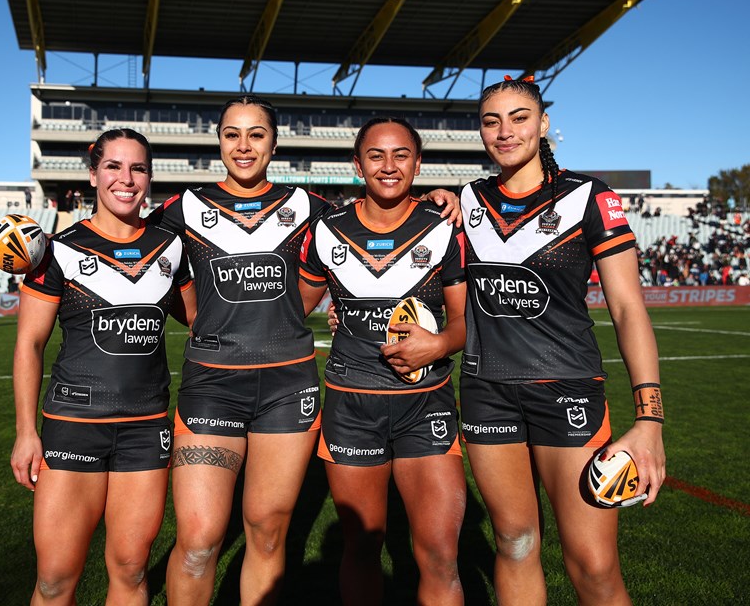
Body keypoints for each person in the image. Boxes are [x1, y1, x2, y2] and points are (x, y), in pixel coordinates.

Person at [458, 76, 665, 605]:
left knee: (594, 565)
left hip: (567, 392)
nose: (505, 131)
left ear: (543, 123)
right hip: (487, 391)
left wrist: (649, 420)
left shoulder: (590, 198)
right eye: (491, 121)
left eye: (519, 117)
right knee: (516, 541)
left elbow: (627, 308)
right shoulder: (466, 200)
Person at [148, 95, 331, 606]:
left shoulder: (311, 209)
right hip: (211, 387)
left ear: (274, 142)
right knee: (200, 540)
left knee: (268, 531)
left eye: (256, 134)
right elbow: (133, 256)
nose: (244, 145)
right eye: (232, 134)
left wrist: (438, 202)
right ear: (219, 141)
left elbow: (378, 231)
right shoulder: (180, 209)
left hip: (286, 386)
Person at [9, 128, 195, 605]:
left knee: (131, 571)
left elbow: (203, 320)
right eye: (113, 166)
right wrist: (26, 432)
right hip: (74, 428)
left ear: (150, 177)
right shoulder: (56, 250)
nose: (126, 179)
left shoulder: (170, 247)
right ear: (93, 174)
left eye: (138, 168)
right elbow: (30, 344)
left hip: (145, 429)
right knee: (54, 580)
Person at [299, 118, 468, 605]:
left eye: (401, 155)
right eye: (376, 155)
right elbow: (293, 307)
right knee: (362, 548)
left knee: (439, 552)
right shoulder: (327, 229)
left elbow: (463, 323)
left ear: (418, 163)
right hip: (352, 407)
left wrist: (437, 346)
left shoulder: (444, 228)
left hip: (425, 407)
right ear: (358, 165)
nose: (389, 166)